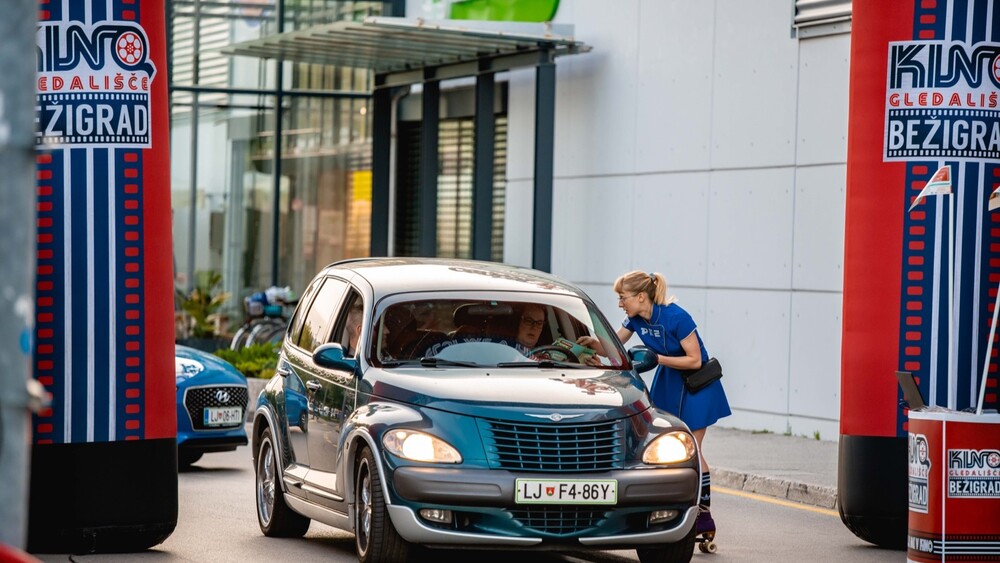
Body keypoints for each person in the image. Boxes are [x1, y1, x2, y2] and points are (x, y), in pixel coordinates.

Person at [578, 270, 730, 538]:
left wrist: (657, 359)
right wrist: (593, 345)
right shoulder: (634, 319)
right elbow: (615, 346)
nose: (619, 302)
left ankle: (704, 516)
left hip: (696, 386)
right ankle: (667, 509)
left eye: (622, 297)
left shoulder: (677, 317)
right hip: (669, 382)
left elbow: (695, 359)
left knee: (693, 450)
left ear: (640, 296)